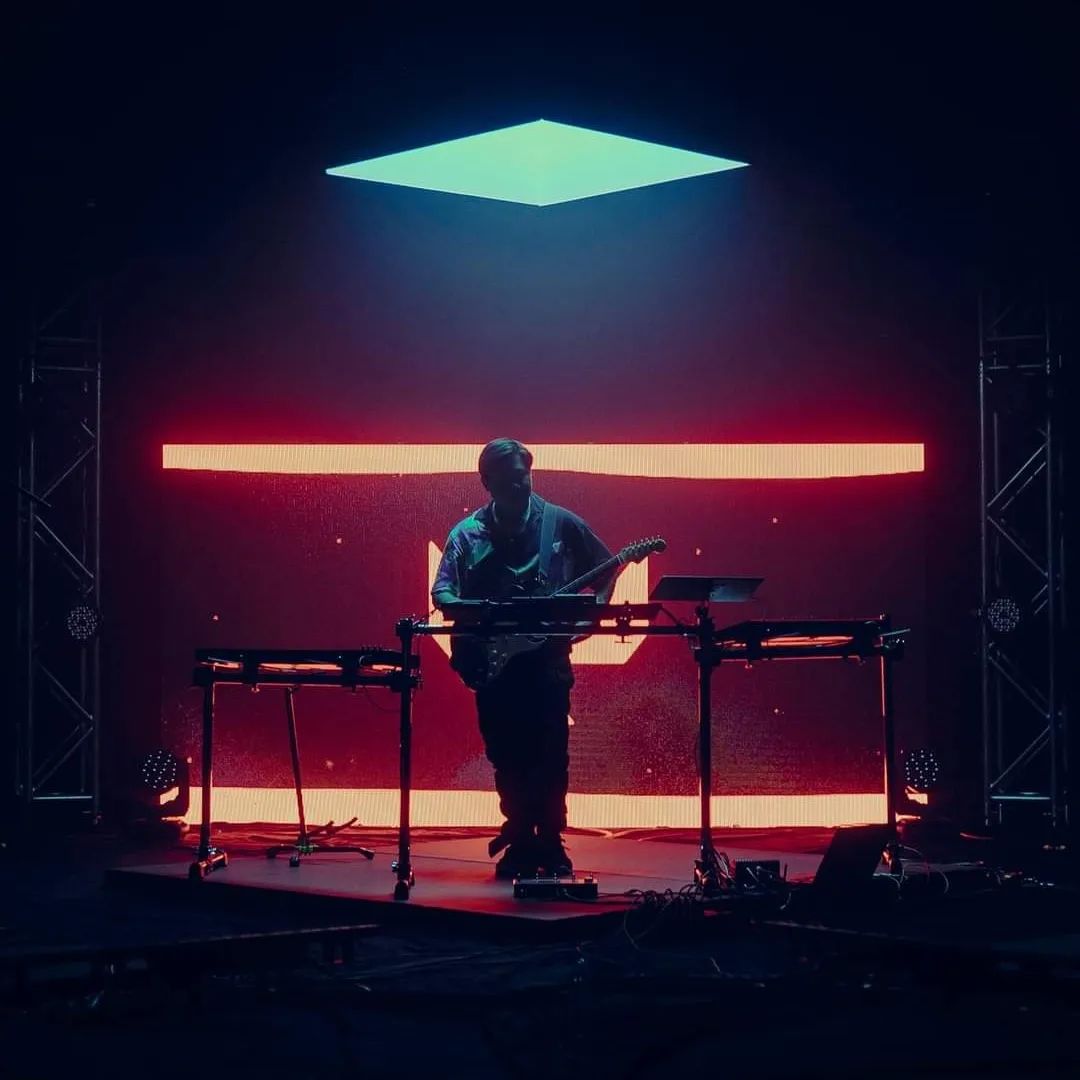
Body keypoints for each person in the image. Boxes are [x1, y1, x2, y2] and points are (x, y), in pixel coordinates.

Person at [432, 438, 616, 879]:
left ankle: (550, 840)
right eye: (510, 477)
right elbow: (442, 592)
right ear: (487, 482)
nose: (520, 483)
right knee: (506, 754)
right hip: (494, 666)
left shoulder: (559, 523)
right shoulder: (466, 534)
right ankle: (519, 837)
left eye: (525, 475)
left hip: (546, 661)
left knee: (551, 752)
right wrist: (480, 614)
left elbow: (607, 566)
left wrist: (590, 616)